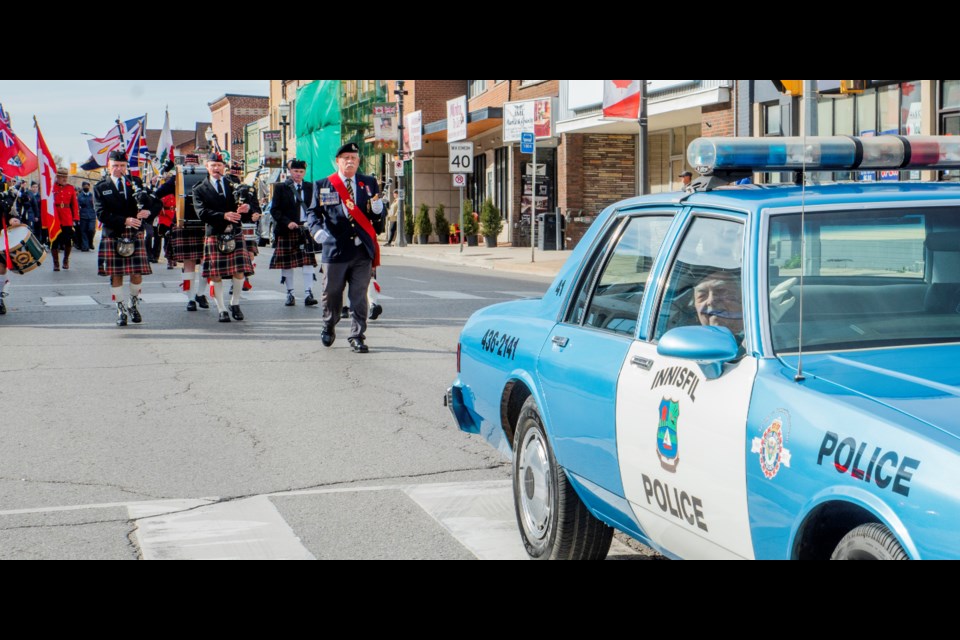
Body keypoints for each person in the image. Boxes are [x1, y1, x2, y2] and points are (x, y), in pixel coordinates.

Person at [306, 142, 384, 353]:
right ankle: (329, 323)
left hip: (361, 250)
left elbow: (376, 220)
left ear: (359, 162)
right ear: (338, 162)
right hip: (335, 249)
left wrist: (378, 211)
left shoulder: (368, 183)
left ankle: (357, 335)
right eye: (346, 158)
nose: (350, 161)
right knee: (331, 292)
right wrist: (316, 230)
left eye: (354, 158)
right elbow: (312, 213)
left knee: (359, 295)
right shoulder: (324, 184)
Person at [93, 150, 161, 327]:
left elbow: (154, 203)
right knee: (116, 274)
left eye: (122, 166)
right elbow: (101, 214)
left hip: (134, 234)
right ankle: (120, 308)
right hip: (113, 234)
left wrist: (148, 212)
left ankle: (133, 304)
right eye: (115, 165)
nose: (119, 169)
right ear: (109, 166)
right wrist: (124, 220)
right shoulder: (101, 187)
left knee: (136, 273)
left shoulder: (135, 182)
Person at [192, 150, 254, 323]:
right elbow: (201, 213)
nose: (216, 168)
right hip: (215, 233)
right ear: (207, 167)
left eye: (219, 165)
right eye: (213, 165)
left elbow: (250, 205)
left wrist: (246, 209)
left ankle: (235, 303)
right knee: (216, 274)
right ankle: (221, 308)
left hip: (234, 232)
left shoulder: (234, 184)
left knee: (239, 271)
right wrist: (223, 215)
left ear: (224, 167)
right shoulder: (199, 189)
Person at [268, 158, 318, 307]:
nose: (298, 174)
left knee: (308, 263)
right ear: (290, 171)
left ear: (304, 172)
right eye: (295, 171)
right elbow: (274, 209)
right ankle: (290, 293)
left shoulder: (311, 187)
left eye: (301, 171)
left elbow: (315, 207)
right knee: (287, 264)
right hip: (287, 229)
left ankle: (309, 293)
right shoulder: (281, 188)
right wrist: (287, 222)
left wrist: (312, 221)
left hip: (305, 229)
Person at [693, 269, 743, 336]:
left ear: (743, 297)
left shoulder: (759, 338)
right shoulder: (689, 343)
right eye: (702, 295)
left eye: (721, 291)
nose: (711, 300)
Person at [0, 189, 24, 316]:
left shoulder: (8, 193)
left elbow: (12, 212)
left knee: (1, 267)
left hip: (1, 235)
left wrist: (13, 219)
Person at [51, 167, 79, 270]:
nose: (64, 179)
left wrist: (76, 218)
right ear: (57, 177)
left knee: (68, 240)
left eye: (65, 176)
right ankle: (56, 263)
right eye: (62, 176)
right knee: (54, 241)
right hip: (55, 217)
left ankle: (66, 260)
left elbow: (74, 204)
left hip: (67, 217)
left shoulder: (70, 188)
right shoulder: (51, 188)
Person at [76, 181, 97, 252]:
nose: (86, 187)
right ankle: (85, 246)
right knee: (83, 231)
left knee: (91, 230)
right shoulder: (80, 196)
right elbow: (77, 205)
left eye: (87, 186)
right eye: (85, 186)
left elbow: (96, 204)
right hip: (83, 216)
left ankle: (90, 242)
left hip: (92, 216)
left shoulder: (92, 195)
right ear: (82, 187)